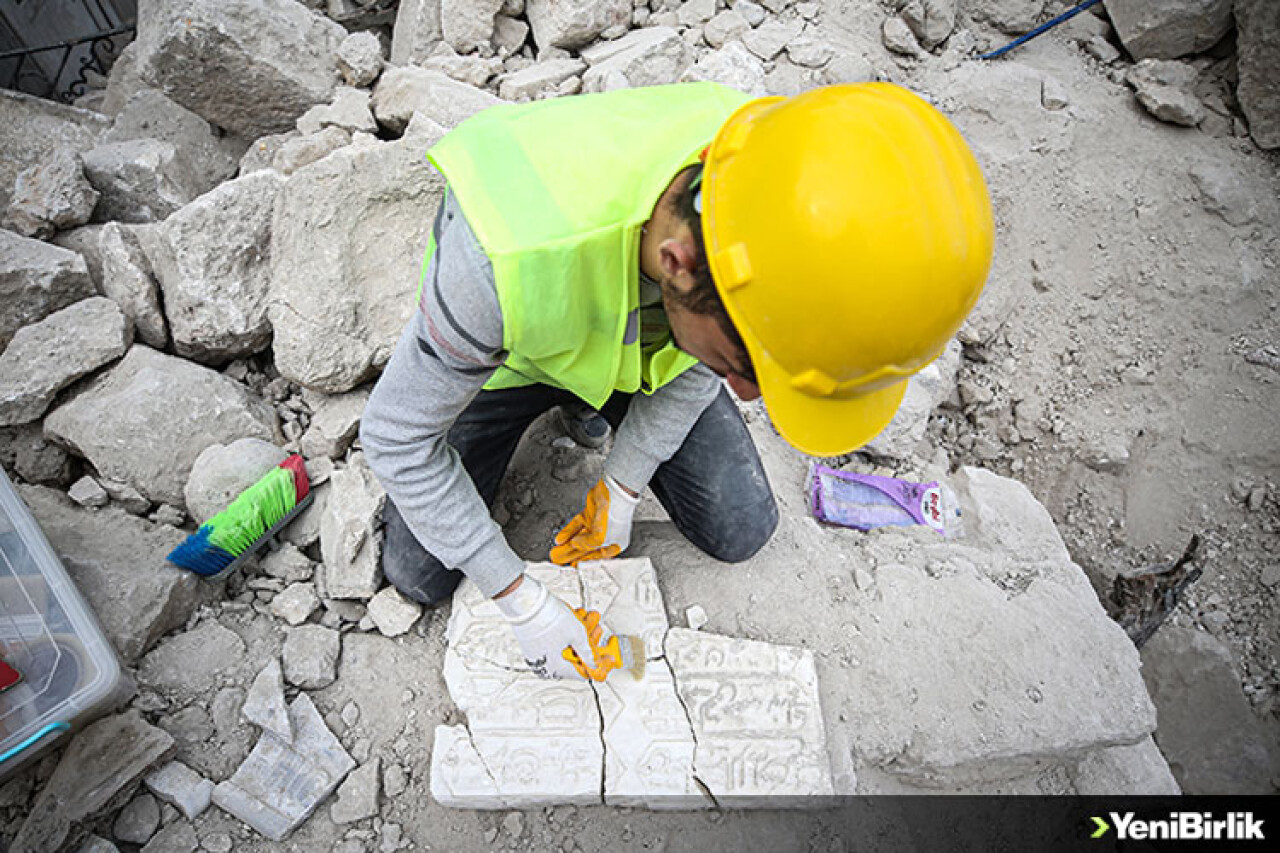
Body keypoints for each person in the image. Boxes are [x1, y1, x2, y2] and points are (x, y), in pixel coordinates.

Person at [360, 81, 993, 679]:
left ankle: (600, 402)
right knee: (418, 574)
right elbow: (395, 437)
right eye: (747, 367)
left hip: (643, 346)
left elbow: (696, 366)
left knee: (741, 527)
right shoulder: (498, 262)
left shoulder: (772, 179)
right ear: (679, 265)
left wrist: (623, 483)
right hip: (511, 355)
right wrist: (518, 596)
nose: (748, 396)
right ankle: (561, 401)